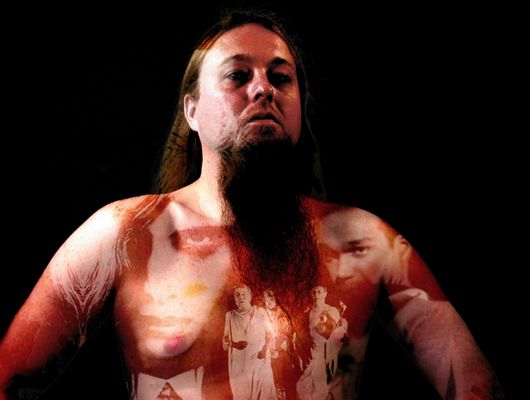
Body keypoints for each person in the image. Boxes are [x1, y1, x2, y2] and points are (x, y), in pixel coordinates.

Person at [0, 9, 503, 400]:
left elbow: (476, 387)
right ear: (192, 111)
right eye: (237, 75)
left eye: (281, 78)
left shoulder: (364, 243)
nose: (263, 88)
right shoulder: (126, 235)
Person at [223, 285, 276, 400]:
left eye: (244, 294)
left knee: (263, 392)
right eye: (237, 295)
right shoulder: (230, 316)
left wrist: (265, 349)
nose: (241, 297)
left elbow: (270, 333)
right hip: (240, 362)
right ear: (234, 298)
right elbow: (225, 339)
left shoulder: (260, 312)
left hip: (259, 359)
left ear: (250, 296)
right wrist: (232, 344)